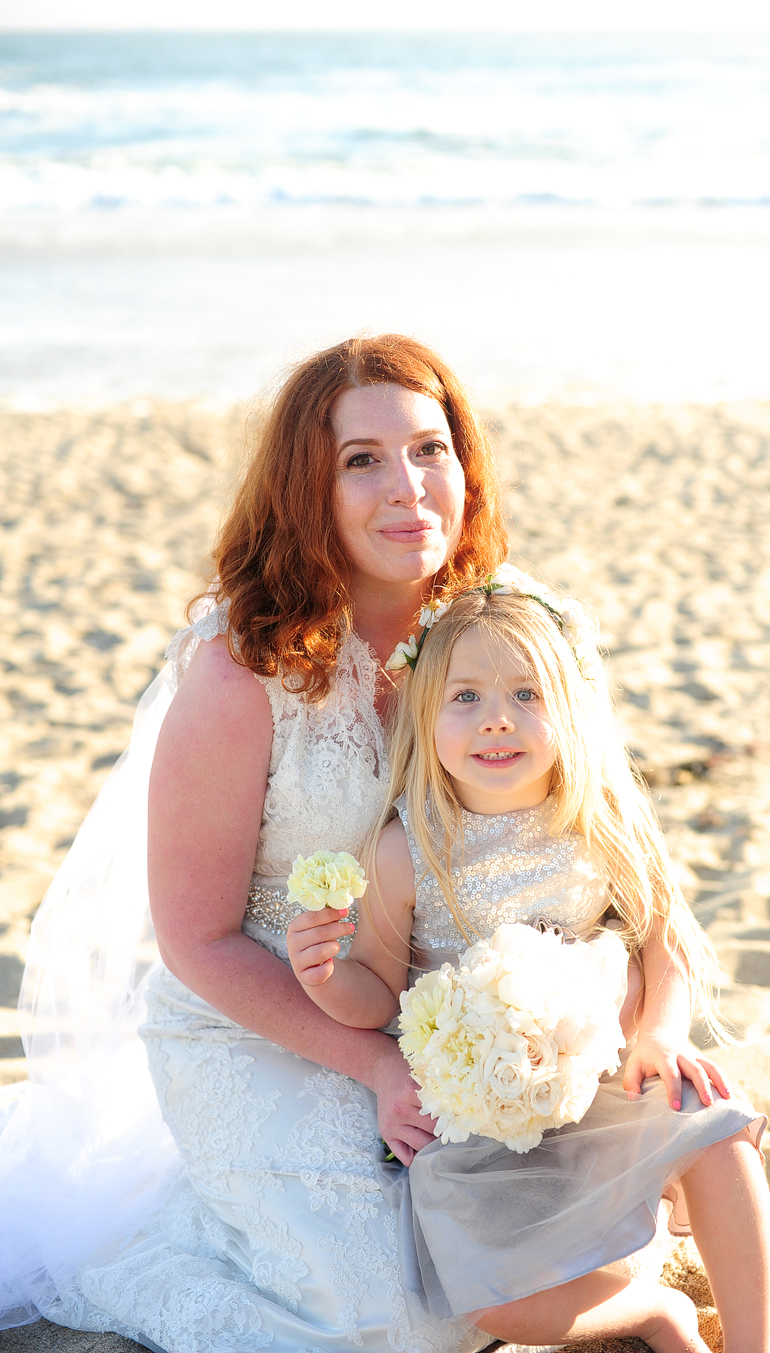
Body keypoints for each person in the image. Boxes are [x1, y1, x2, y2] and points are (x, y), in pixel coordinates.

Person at [0, 334, 508, 1353]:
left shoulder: (496, 636)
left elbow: (600, 846)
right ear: (304, 489)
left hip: (438, 1001)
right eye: (359, 459)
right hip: (259, 1020)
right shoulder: (241, 676)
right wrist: (372, 1067)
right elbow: (197, 940)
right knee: (380, 1311)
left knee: (538, 1245)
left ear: (465, 466)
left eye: (428, 449)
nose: (406, 487)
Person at [287, 577, 770, 1353]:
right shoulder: (406, 849)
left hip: (613, 1082)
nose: (498, 719)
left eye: (526, 693)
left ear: (568, 709)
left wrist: (659, 1031)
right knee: (495, 1309)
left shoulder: (599, 821)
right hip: (489, 1122)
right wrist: (323, 974)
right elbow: (375, 992)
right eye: (467, 697)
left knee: (716, 1125)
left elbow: (665, 942)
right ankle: (654, 1312)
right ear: (425, 712)